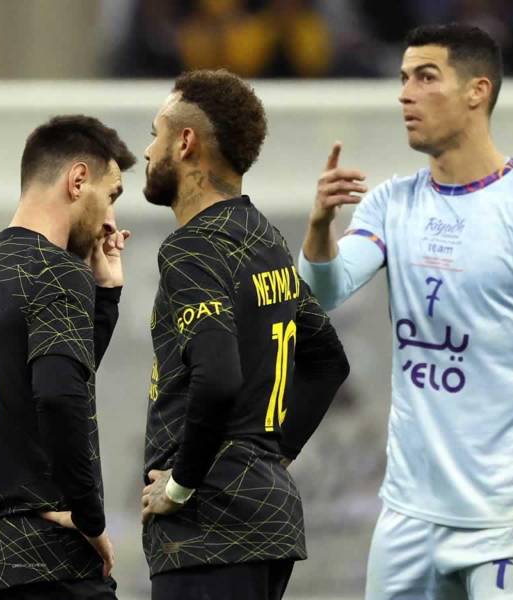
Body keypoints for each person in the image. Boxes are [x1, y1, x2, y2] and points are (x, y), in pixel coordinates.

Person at [298, 23, 513, 600]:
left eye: (425, 77)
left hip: (506, 522)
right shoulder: (390, 203)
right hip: (407, 515)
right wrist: (318, 228)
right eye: (403, 78)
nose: (405, 93)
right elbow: (323, 292)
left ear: (478, 91)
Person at [139, 69, 350, 600]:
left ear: (185, 143)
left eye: (154, 133)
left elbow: (216, 376)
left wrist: (180, 485)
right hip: (264, 522)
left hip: (209, 531)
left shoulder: (191, 249)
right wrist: (273, 455)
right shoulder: (265, 239)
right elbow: (328, 361)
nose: (146, 151)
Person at [0, 115, 136, 599]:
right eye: (111, 196)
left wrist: (104, 299)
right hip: (46, 560)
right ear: (78, 179)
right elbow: (60, 395)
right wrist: (90, 518)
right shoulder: (54, 269)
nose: (111, 220)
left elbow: (51, 377)